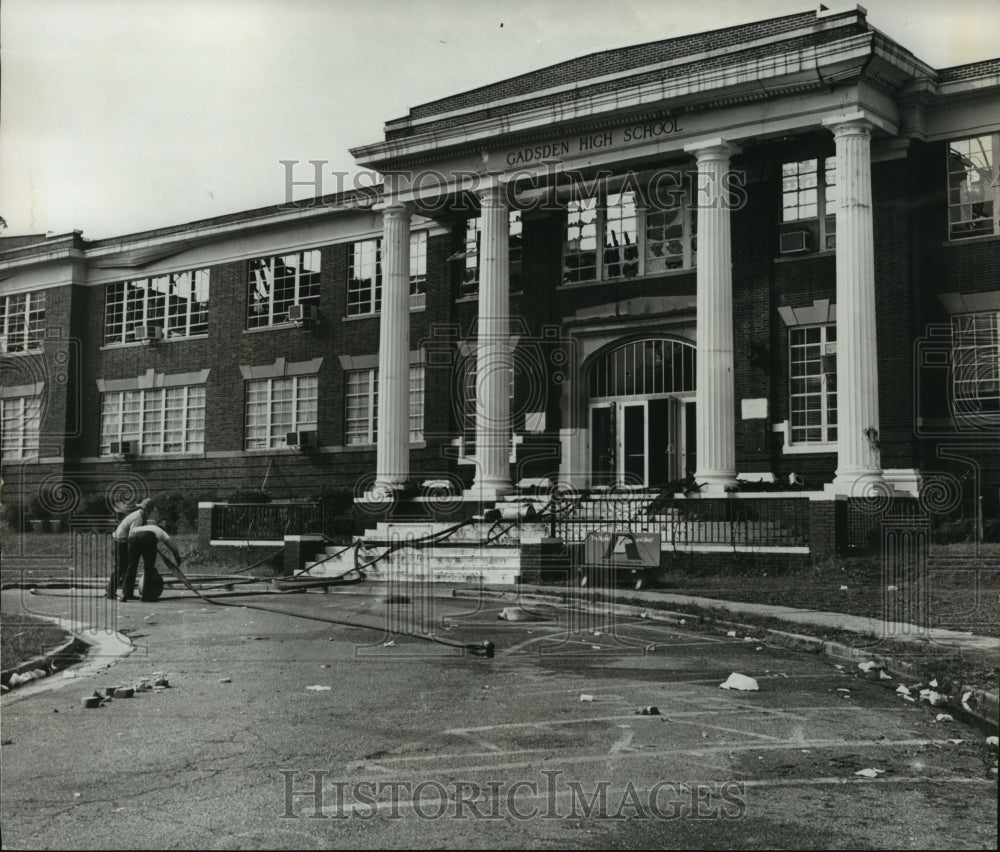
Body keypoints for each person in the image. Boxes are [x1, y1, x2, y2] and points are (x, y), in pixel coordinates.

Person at [119, 517, 182, 603]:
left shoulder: (139, 527)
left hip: (133, 536)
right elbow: (172, 546)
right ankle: (146, 596)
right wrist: (177, 557)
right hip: (148, 537)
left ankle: (125, 594)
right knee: (148, 567)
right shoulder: (159, 530)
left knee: (131, 566)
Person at [106, 498, 152, 599]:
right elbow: (133, 536)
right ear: (146, 510)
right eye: (150, 510)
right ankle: (110, 592)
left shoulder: (142, 516)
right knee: (122, 567)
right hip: (120, 542)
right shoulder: (138, 518)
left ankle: (127, 593)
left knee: (129, 567)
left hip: (124, 540)